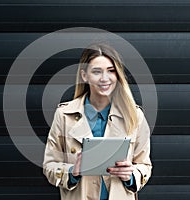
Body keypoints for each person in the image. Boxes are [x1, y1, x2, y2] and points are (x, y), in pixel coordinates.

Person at [43, 43, 152, 200]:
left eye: (111, 71)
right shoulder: (64, 115)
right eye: (96, 72)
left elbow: (144, 165)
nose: (104, 78)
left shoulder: (134, 116)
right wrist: (73, 171)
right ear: (84, 76)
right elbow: (50, 166)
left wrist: (131, 175)